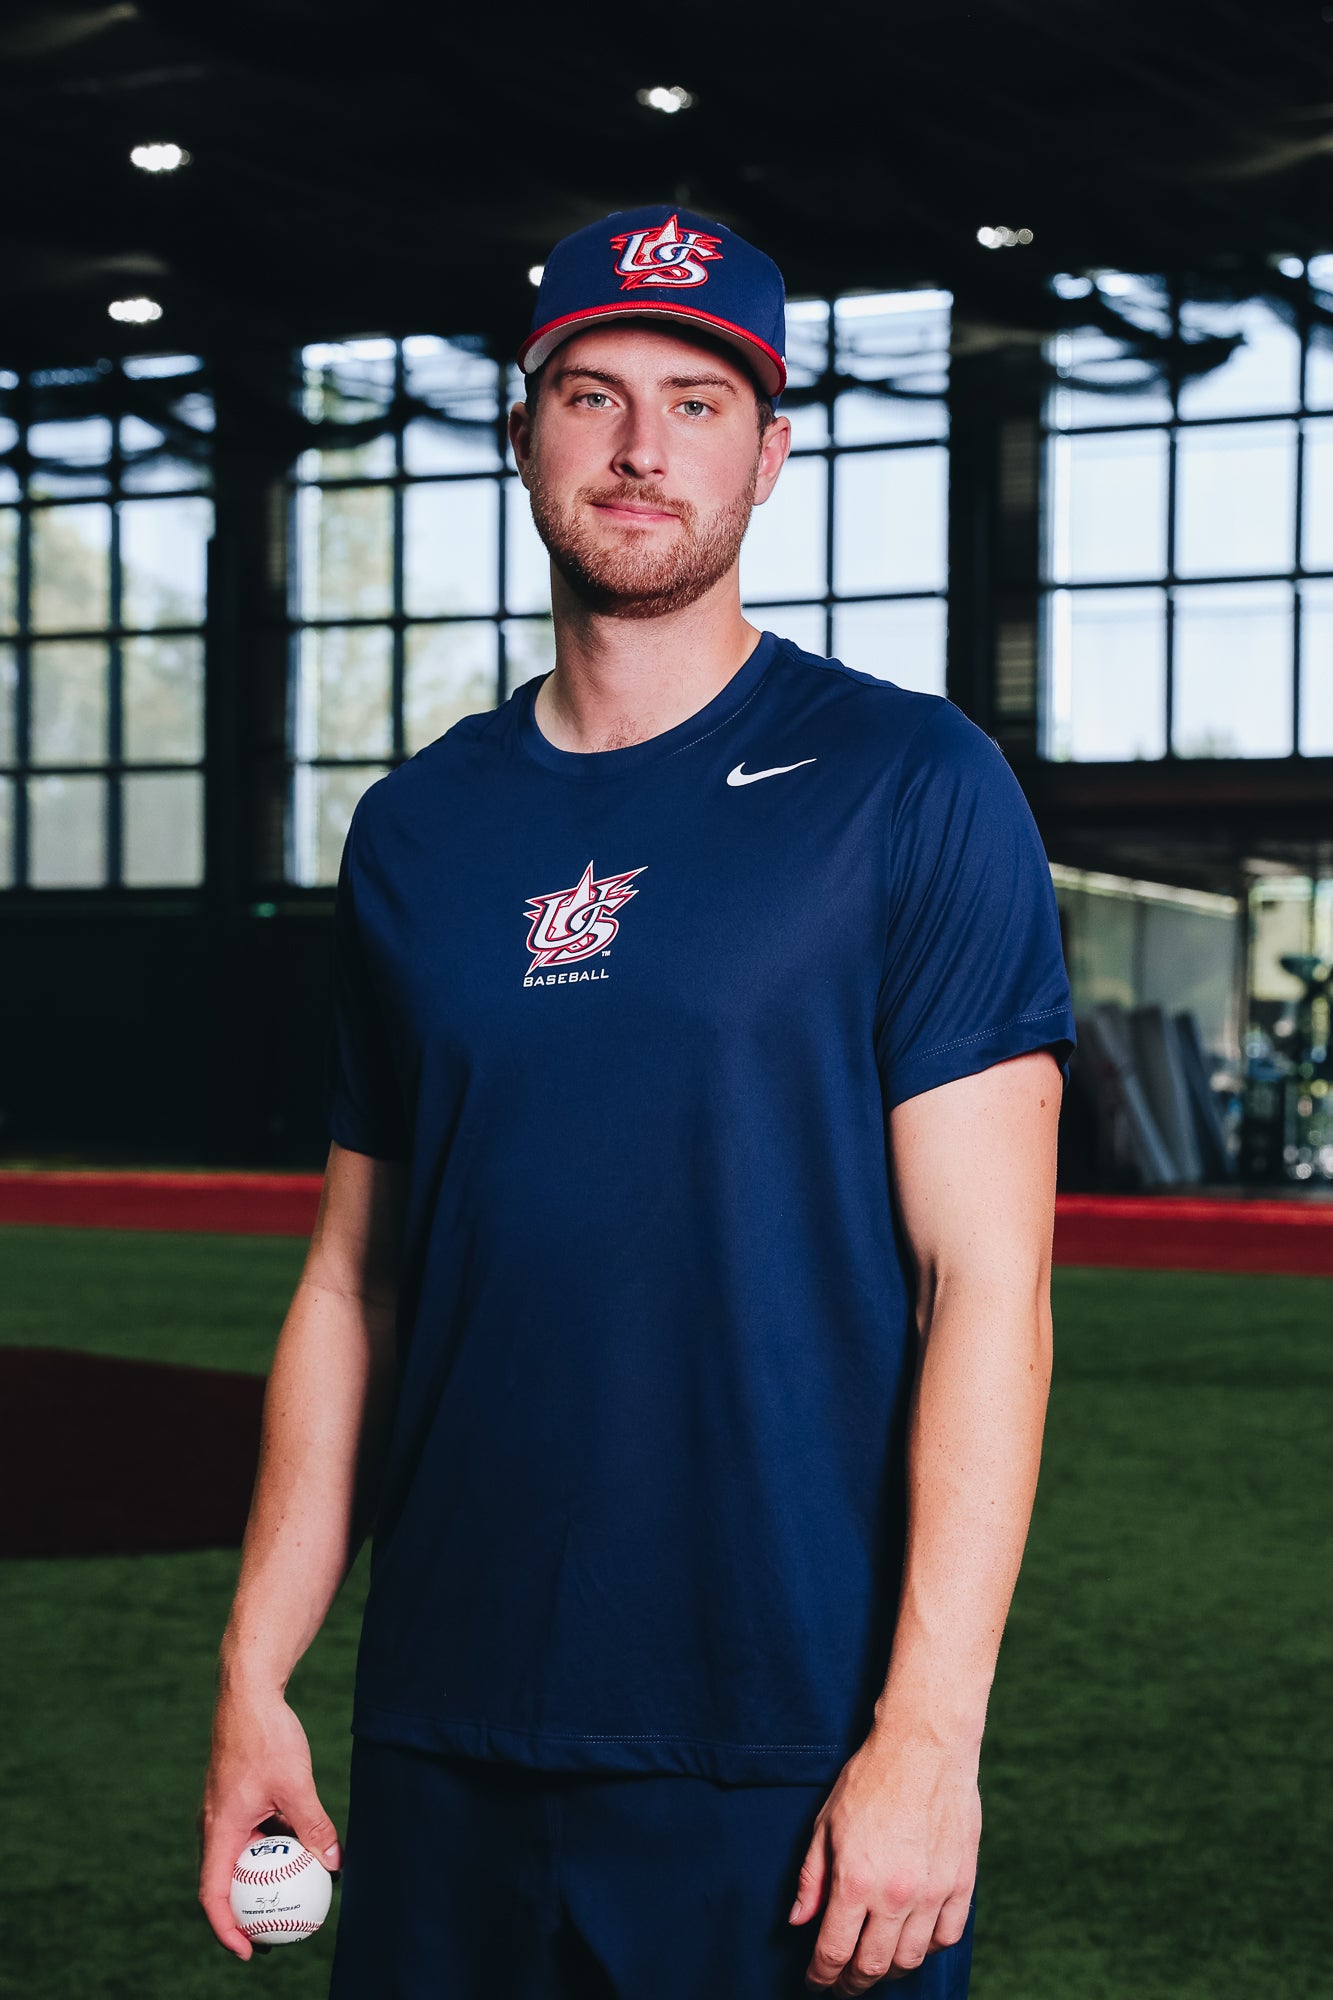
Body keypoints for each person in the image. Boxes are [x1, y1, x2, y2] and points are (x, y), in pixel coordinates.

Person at [199, 204, 1075, 1999]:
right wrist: (252, 1674)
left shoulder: (910, 783)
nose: (640, 446)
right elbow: (354, 1285)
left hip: (782, 1745)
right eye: (592, 395)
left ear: (769, 455)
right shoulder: (415, 830)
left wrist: (929, 1735)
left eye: (697, 402)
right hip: (443, 1731)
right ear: (524, 435)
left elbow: (986, 1286)